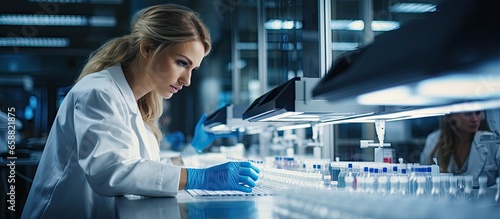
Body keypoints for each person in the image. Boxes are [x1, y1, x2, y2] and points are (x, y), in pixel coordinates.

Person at [21, 4, 259, 219]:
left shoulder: (140, 103)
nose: (187, 80)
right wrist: (200, 178)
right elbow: (111, 171)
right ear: (147, 48)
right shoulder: (99, 92)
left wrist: (193, 150)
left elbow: (143, 167)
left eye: (193, 68)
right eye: (181, 63)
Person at [420, 111, 499, 187]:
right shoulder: (433, 141)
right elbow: (422, 179)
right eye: (467, 114)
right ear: (450, 116)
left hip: (486, 200)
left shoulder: (491, 142)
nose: (475, 119)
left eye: (478, 113)